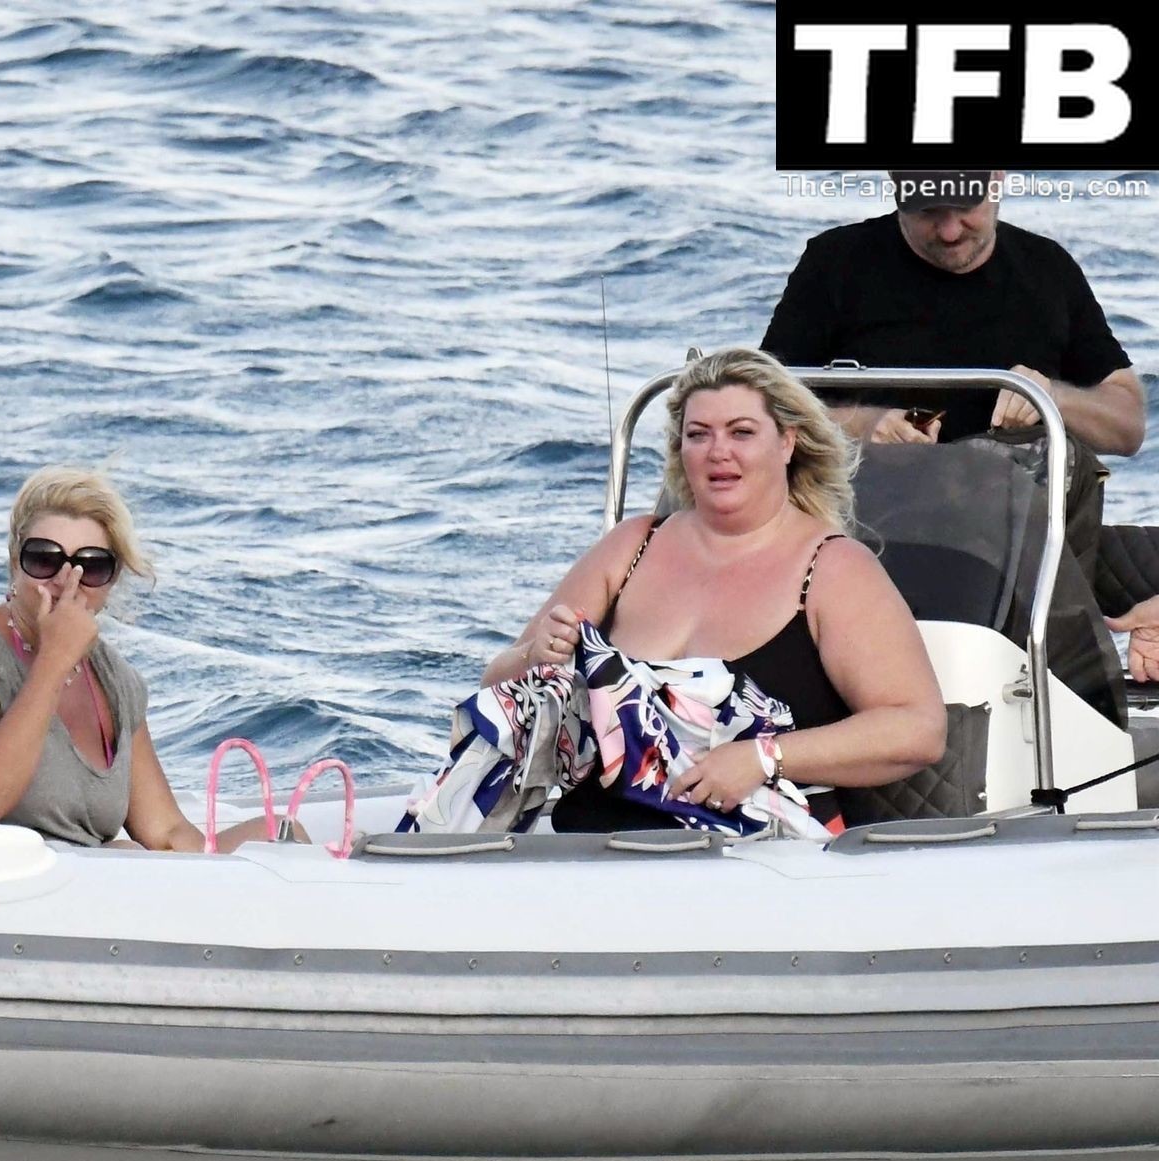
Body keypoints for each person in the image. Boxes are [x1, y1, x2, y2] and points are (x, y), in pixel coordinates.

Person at [482, 348, 946, 831]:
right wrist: (536, 655)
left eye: (741, 432)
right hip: (597, 846)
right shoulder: (631, 546)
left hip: (765, 852)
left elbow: (917, 729)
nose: (717, 451)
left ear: (787, 443)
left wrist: (764, 757)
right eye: (698, 434)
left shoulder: (835, 567)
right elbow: (496, 688)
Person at [0, 466, 294, 849]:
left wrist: (272, 841)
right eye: (44, 559)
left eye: (92, 565)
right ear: (15, 562)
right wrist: (54, 661)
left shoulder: (113, 678)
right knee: (126, 853)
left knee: (276, 831)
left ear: (112, 579)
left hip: (79, 885)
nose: (67, 580)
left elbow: (166, 834)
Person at [762, 170, 1143, 457]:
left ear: (997, 178)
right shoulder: (834, 263)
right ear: (894, 183)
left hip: (1016, 518)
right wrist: (863, 426)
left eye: (965, 207)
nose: (949, 232)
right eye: (927, 211)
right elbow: (761, 407)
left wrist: (1048, 398)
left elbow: (1128, 427)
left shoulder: (1049, 269)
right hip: (871, 511)